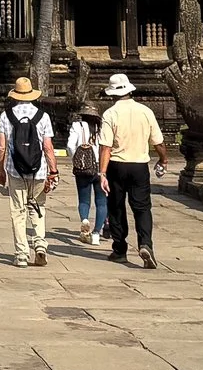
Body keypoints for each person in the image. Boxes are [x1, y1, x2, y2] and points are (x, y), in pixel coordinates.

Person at [97, 72, 166, 270]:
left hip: (117, 165)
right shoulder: (145, 111)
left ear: (112, 94)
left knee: (117, 207)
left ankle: (119, 249)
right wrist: (164, 158)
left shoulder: (110, 113)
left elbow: (106, 147)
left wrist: (102, 173)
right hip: (139, 165)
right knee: (142, 207)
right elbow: (158, 142)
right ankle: (146, 244)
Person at [0, 75, 56, 268]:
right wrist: (53, 170)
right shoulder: (43, 116)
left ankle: (22, 254)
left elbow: (1, 147)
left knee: (18, 211)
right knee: (38, 208)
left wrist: (0, 169)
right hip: (39, 170)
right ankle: (40, 244)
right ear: (32, 95)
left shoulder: (6, 116)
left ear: (15, 95)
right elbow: (48, 147)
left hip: (15, 170)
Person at [66, 104, 105, 243]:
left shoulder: (77, 126)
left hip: (83, 168)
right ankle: (96, 234)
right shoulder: (102, 127)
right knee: (101, 202)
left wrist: (76, 159)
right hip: (101, 167)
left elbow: (70, 146)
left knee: (84, 199)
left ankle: (85, 219)